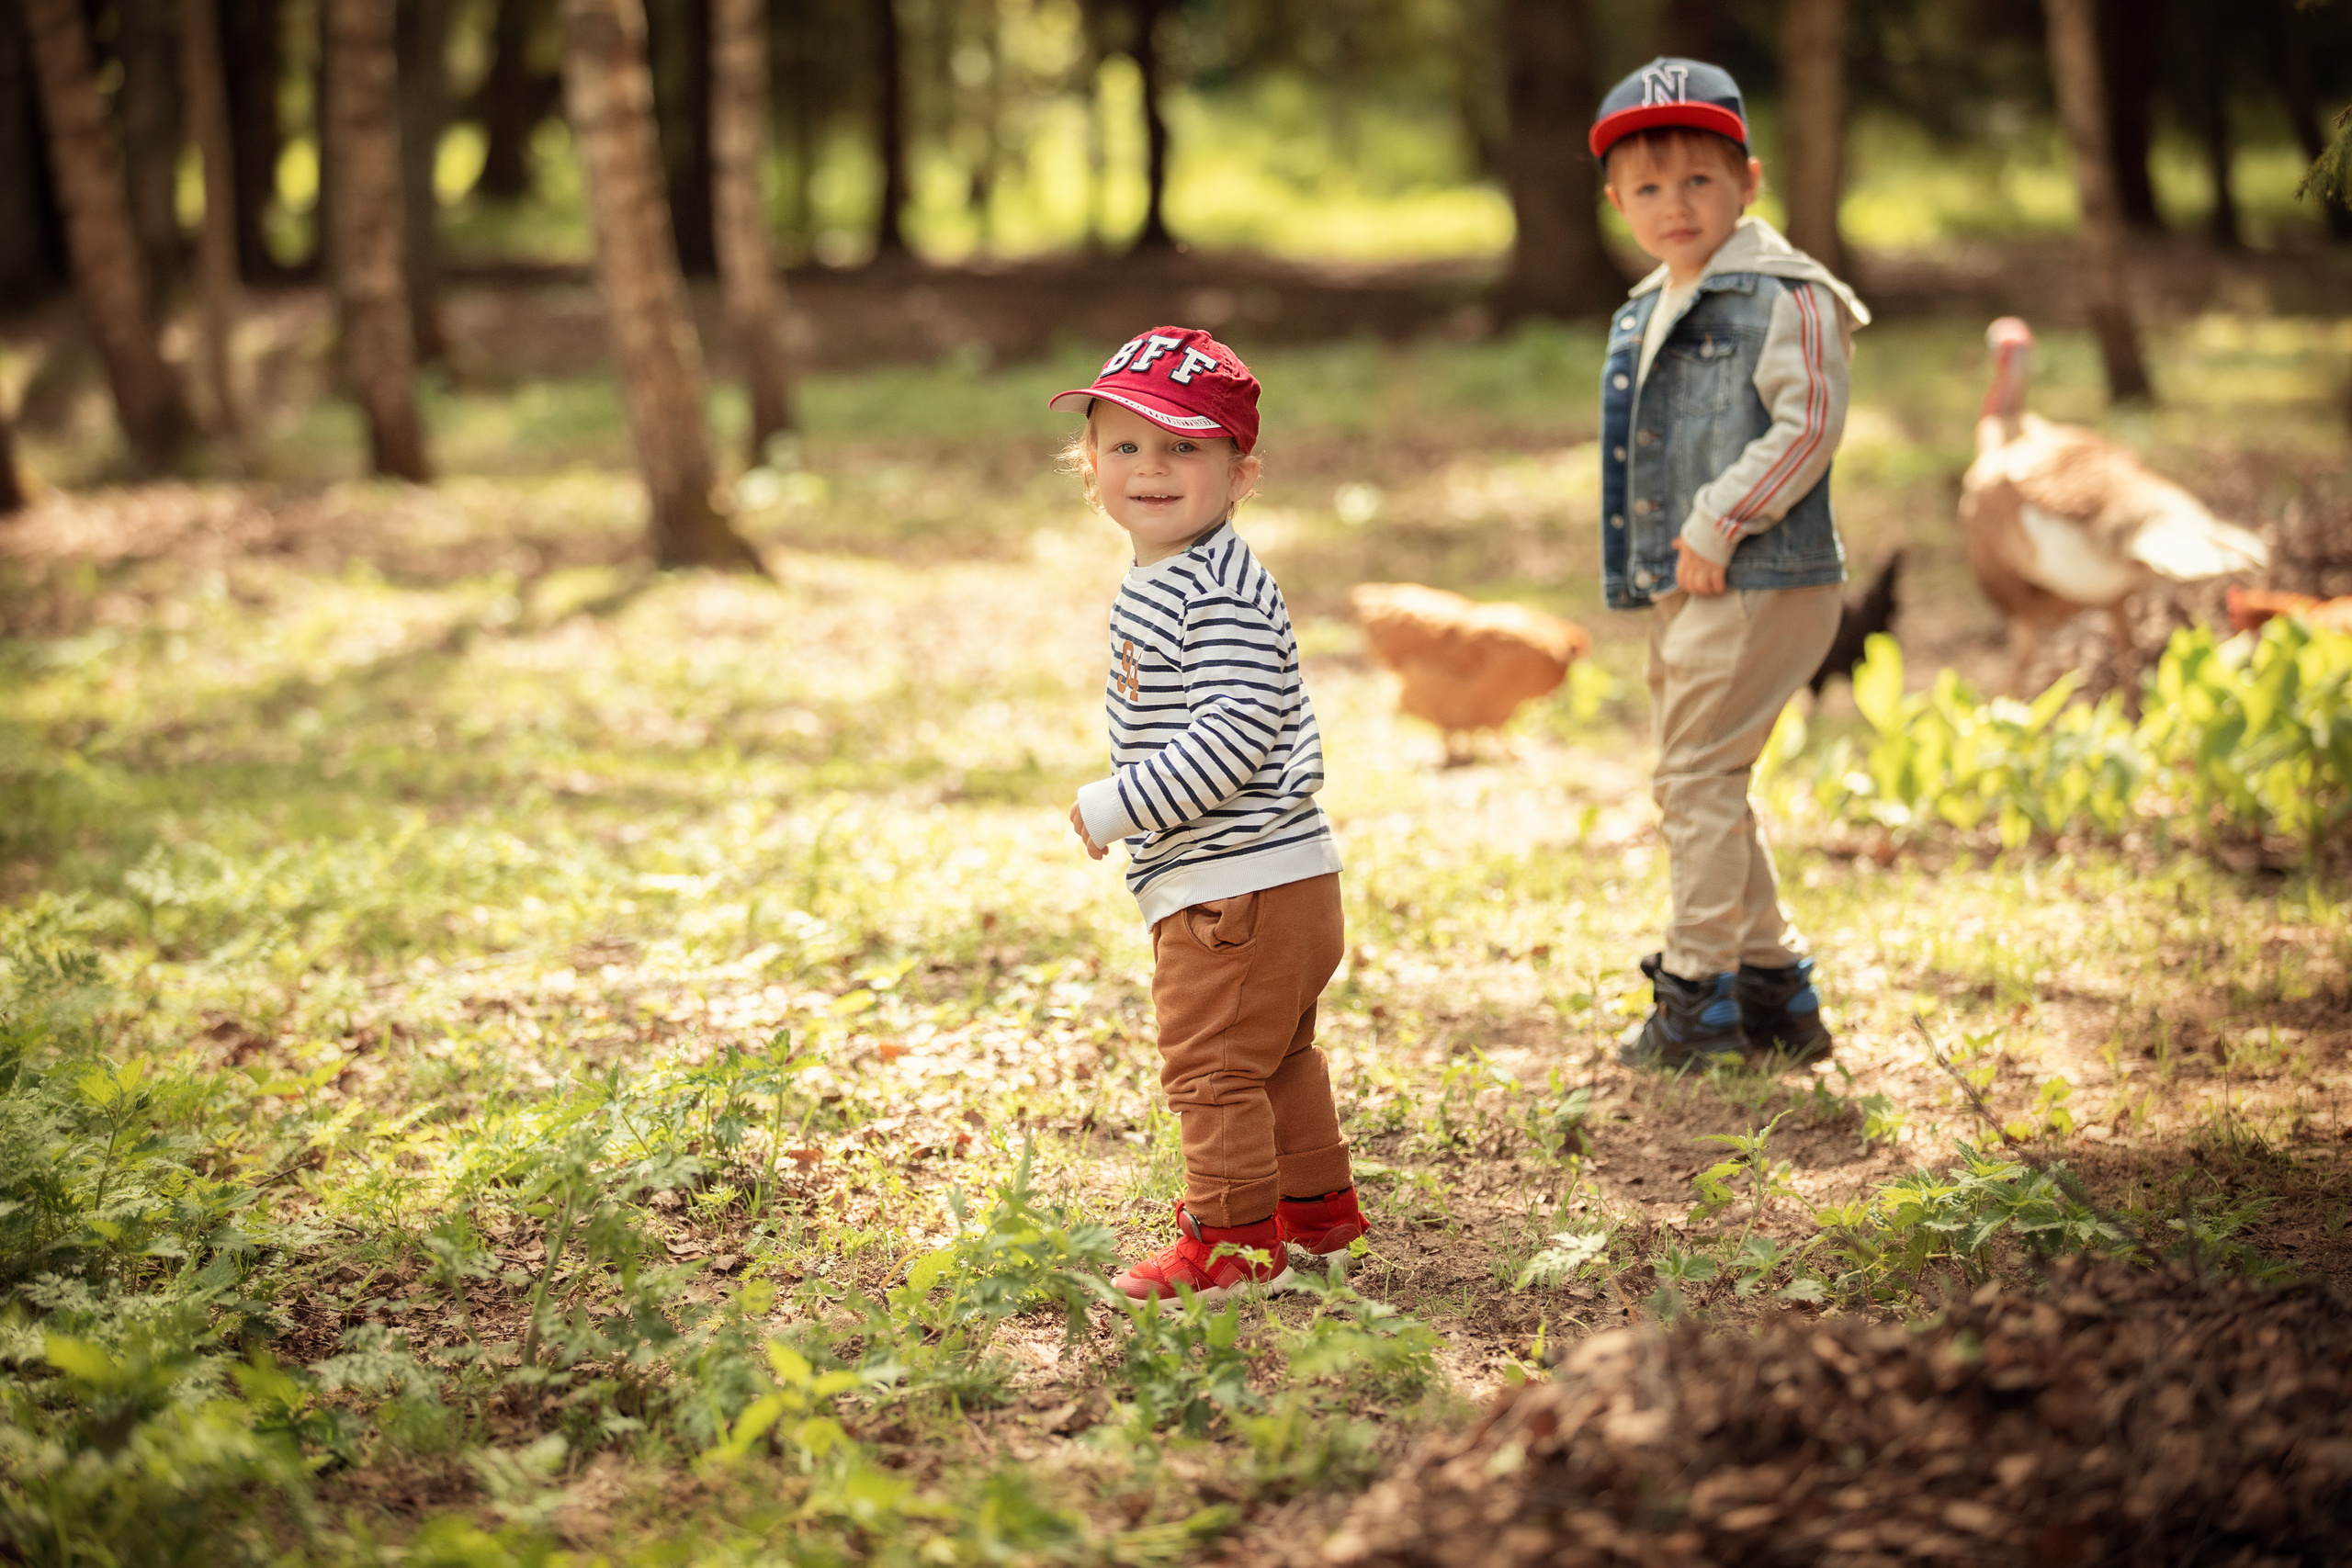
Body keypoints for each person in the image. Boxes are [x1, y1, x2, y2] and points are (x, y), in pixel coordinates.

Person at [1053, 327, 1367, 1303]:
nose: (1151, 468)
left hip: (1237, 887)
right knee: (1275, 1057)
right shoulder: (1178, 574)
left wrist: (1118, 804)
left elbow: (1235, 731)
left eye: (1185, 446)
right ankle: (1316, 1213)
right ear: (1091, 465)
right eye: (1126, 445)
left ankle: (1232, 1248)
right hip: (1281, 880)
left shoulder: (1215, 588)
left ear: (1241, 474)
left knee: (1211, 1070)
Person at [1589, 59, 1871, 1069]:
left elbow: (1809, 427)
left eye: (1699, 179)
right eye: (1649, 186)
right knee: (1703, 780)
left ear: (1747, 182)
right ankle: (1775, 990)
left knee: (1696, 778)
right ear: (1616, 200)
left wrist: (1717, 520)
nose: (1675, 204)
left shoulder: (1787, 294)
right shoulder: (1652, 300)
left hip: (1760, 573)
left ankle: (1698, 994)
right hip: (1693, 583)